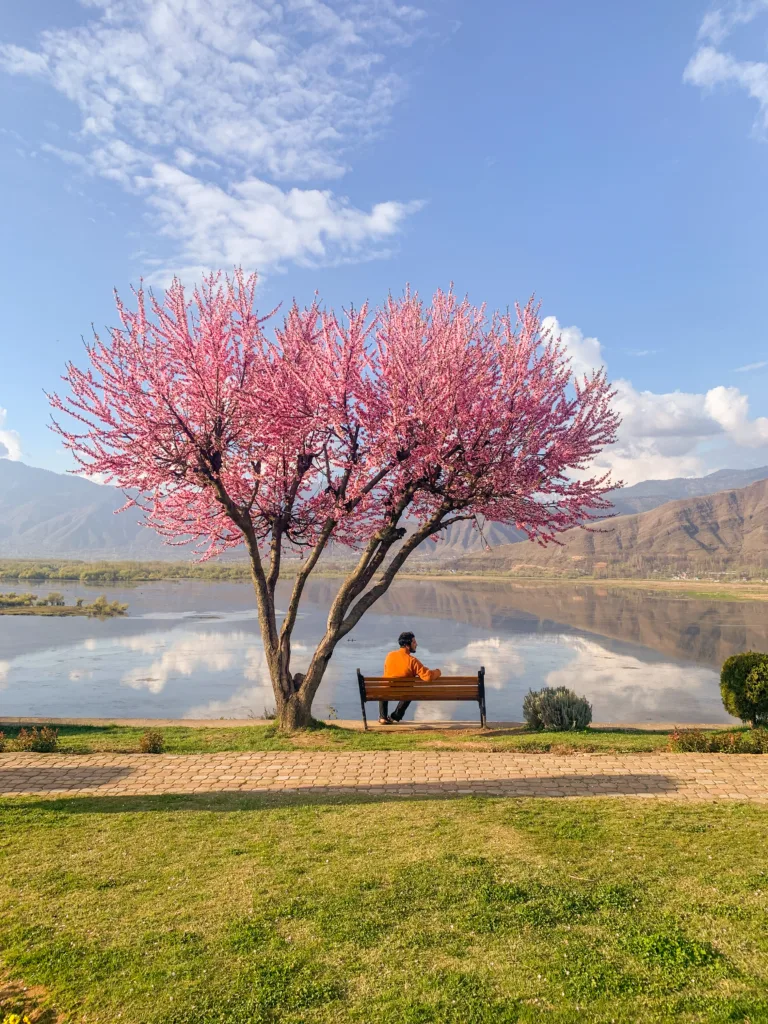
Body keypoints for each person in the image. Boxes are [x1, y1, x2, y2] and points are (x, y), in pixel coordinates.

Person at [379, 631, 442, 724]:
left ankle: (383, 717)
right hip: (403, 693)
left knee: (384, 687)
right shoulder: (412, 661)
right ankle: (395, 716)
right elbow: (428, 676)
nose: (416, 644)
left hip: (386, 691)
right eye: (414, 642)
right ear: (407, 645)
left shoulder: (390, 655)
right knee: (410, 691)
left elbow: (387, 672)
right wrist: (438, 672)